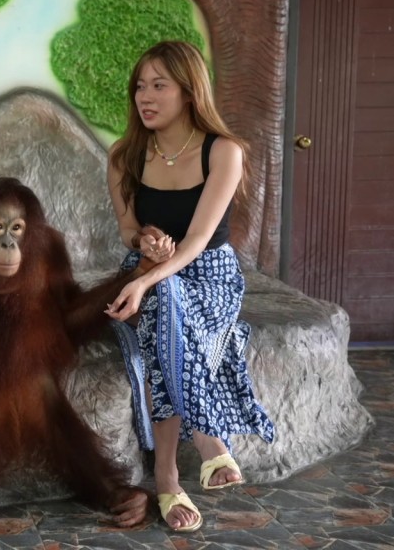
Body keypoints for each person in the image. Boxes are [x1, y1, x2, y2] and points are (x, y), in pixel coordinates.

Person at [103, 41, 275, 533]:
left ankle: (167, 473)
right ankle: (209, 442)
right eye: (140, 86)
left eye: (159, 85)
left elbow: (199, 241)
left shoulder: (224, 151)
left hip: (210, 272)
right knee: (164, 300)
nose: (145, 96)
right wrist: (145, 242)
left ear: (189, 90)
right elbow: (126, 228)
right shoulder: (124, 155)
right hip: (151, 268)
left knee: (164, 301)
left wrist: (144, 283)